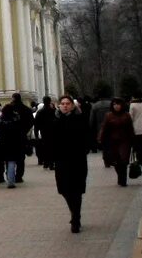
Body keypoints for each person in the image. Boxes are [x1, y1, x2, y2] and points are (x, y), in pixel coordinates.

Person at [45, 94, 90, 232]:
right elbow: (50, 140)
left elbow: (87, 137)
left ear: (72, 105)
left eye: (68, 103)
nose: (65, 105)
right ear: (59, 105)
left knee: (76, 190)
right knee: (64, 190)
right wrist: (51, 157)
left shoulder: (80, 119)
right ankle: (74, 213)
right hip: (61, 161)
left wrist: (84, 150)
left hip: (77, 160)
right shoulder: (54, 120)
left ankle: (75, 219)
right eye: (63, 103)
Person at [98, 97, 136, 186]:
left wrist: (133, 140)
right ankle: (120, 176)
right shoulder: (109, 115)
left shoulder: (126, 115)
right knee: (116, 160)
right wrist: (100, 138)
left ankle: (123, 180)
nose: (116, 106)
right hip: (113, 141)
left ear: (122, 105)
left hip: (125, 141)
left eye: (118, 104)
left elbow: (131, 128)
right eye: (114, 104)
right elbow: (104, 127)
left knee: (124, 159)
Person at [34, 95, 57, 170]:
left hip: (43, 131)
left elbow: (36, 124)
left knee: (45, 147)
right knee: (52, 148)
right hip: (53, 131)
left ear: (43, 102)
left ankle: (46, 163)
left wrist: (36, 134)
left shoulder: (40, 112)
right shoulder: (53, 111)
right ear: (50, 101)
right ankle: (51, 164)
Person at [131, 94, 142, 169]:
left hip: (136, 127)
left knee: (138, 145)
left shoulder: (133, 105)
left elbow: (131, 116)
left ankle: (140, 160)